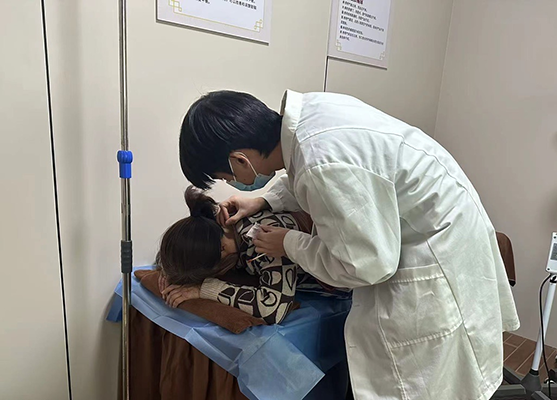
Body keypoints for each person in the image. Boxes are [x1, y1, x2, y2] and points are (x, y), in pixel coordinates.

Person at [177, 89, 520, 399]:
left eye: (226, 177)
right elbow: (310, 175)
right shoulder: (313, 117)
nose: (232, 184)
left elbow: (362, 264)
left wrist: (289, 243)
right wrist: (263, 200)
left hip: (433, 258)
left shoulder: (320, 160)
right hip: (437, 227)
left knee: (427, 383)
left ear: (240, 160)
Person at [156, 186, 350, 324]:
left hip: (344, 275)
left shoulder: (263, 237)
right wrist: (170, 272)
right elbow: (185, 249)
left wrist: (203, 289)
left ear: (221, 249)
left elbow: (273, 309)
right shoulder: (217, 226)